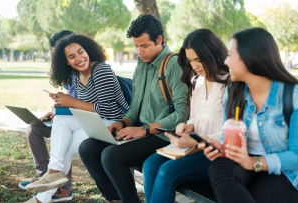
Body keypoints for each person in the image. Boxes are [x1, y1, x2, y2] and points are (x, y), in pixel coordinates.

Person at [78, 14, 188, 203]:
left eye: (144, 46)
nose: (139, 51)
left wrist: (143, 130)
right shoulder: (141, 65)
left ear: (159, 39)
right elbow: (135, 107)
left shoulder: (173, 64)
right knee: (87, 147)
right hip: (140, 130)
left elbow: (182, 114)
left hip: (162, 134)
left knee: (111, 156)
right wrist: (122, 122)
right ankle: (115, 199)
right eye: (136, 46)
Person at [24, 34, 129, 203]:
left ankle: (46, 188)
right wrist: (63, 104)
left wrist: (72, 102)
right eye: (72, 57)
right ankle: (49, 183)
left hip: (114, 123)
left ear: (88, 50)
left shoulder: (101, 70)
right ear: (66, 61)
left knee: (64, 149)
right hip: (94, 121)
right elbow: (84, 107)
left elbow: (109, 109)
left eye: (81, 52)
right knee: (60, 120)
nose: (79, 59)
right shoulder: (76, 76)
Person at [199, 27, 298, 203]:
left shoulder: (293, 95)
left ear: (250, 57)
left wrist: (253, 163)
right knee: (218, 168)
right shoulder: (233, 91)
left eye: (230, 54)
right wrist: (222, 148)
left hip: (285, 170)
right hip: (244, 160)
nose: (225, 61)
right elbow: (228, 138)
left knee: (258, 196)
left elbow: (296, 156)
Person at [142, 29, 229, 203]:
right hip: (193, 147)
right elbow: (195, 117)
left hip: (218, 153)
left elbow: (233, 132)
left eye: (199, 59)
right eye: (190, 61)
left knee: (167, 172)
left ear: (213, 53)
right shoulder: (197, 81)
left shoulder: (231, 82)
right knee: (150, 165)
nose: (195, 66)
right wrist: (188, 126)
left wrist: (197, 141)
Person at [19, 30, 75, 202]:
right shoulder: (67, 71)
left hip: (79, 121)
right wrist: (57, 109)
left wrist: (64, 111)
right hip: (68, 116)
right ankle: (45, 178)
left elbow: (88, 105)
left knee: (62, 130)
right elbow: (70, 96)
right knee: (33, 128)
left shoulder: (82, 66)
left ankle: (64, 189)